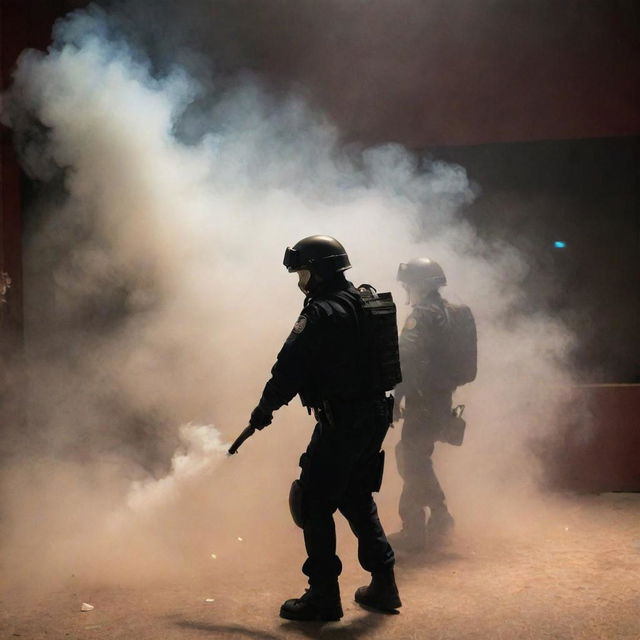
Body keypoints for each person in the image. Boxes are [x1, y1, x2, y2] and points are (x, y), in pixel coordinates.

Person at [246, 235, 402, 621]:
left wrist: (264, 409)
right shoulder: (363, 301)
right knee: (355, 496)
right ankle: (384, 584)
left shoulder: (320, 312)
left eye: (304, 272)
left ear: (320, 270)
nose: (302, 281)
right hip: (375, 414)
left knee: (314, 502)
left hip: (342, 419)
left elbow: (289, 369)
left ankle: (322, 596)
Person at [389, 258, 477, 553]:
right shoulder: (452, 312)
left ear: (418, 284)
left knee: (411, 460)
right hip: (442, 399)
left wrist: (396, 396)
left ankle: (417, 528)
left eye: (408, 283)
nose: (406, 289)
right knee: (417, 458)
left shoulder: (423, 315)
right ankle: (440, 520)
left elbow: (407, 359)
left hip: (423, 400)